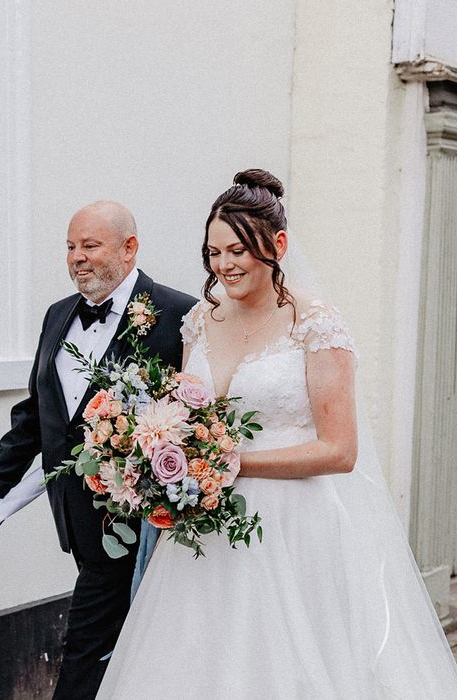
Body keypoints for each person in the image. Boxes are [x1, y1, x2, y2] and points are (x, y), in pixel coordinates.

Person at [97, 170, 457, 698]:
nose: (224, 265)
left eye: (238, 250)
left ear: (278, 245)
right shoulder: (199, 320)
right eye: (214, 252)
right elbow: (187, 413)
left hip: (293, 530)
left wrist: (230, 463)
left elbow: (340, 450)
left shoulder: (316, 324)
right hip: (205, 529)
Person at [0, 200, 197, 700]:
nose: (77, 258)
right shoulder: (57, 316)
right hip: (75, 514)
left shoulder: (179, 315)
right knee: (124, 642)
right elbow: (37, 410)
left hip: (139, 518)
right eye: (70, 247)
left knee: (86, 646)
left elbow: (195, 414)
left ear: (129, 247)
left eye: (90, 246)